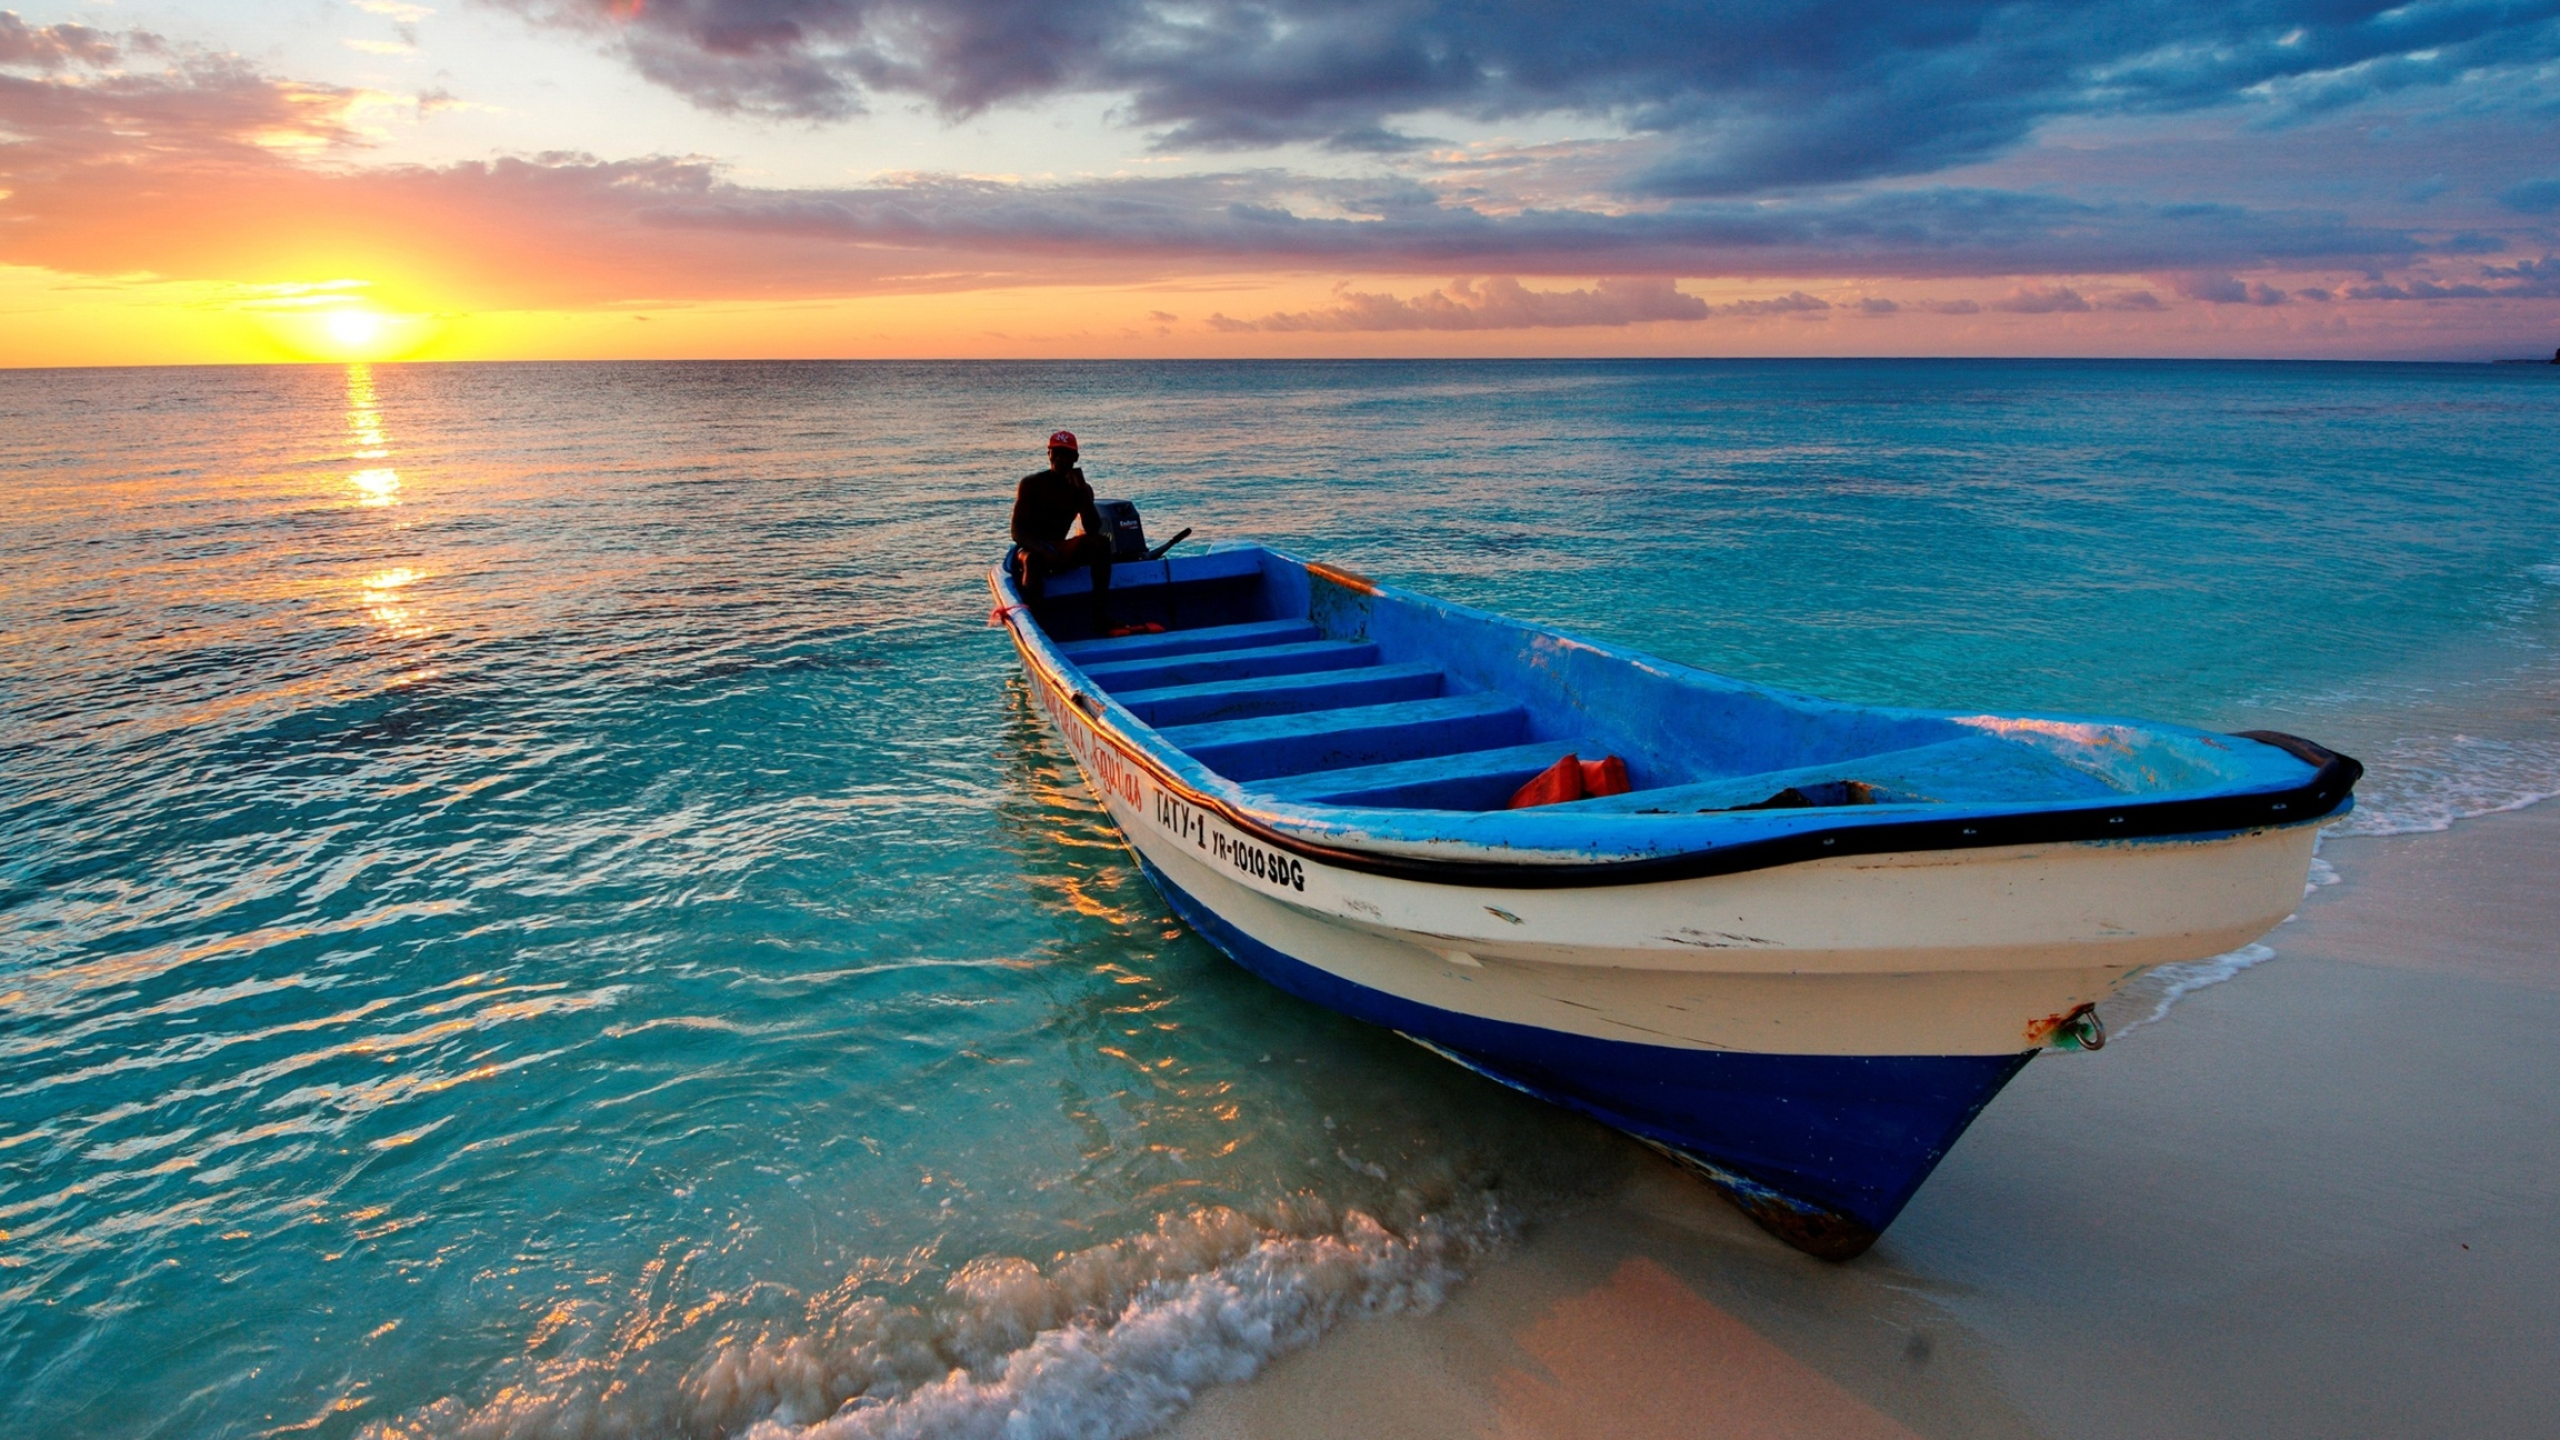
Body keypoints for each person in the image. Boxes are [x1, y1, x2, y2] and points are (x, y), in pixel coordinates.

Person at [1010, 430, 1112, 625]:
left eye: (1065, 454)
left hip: (1060, 548)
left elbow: (1093, 528)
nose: (1060, 458)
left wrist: (1082, 493)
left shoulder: (1081, 488)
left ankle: (1100, 616)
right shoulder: (1031, 484)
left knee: (1101, 544)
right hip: (1033, 547)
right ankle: (1035, 622)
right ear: (1049, 454)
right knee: (1032, 560)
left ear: (1075, 458)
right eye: (1056, 453)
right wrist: (1043, 550)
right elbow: (1017, 531)